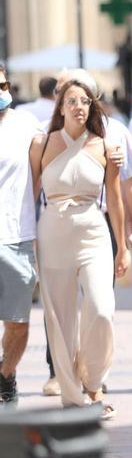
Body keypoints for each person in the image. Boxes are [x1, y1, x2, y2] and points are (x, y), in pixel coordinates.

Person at [39, 68, 132, 397]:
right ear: (60, 107)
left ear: (92, 106)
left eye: (84, 101)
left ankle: (93, 378)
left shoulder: (105, 145)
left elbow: (115, 198)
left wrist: (123, 247)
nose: (77, 107)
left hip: (93, 230)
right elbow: (28, 195)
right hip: (52, 232)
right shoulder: (42, 142)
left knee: (101, 308)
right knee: (60, 321)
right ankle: (73, 396)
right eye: (70, 101)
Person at [0, 63, 39, 406]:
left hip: (16, 235)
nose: (1, 93)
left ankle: (6, 374)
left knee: (18, 323)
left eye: (3, 85)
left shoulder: (26, 124)